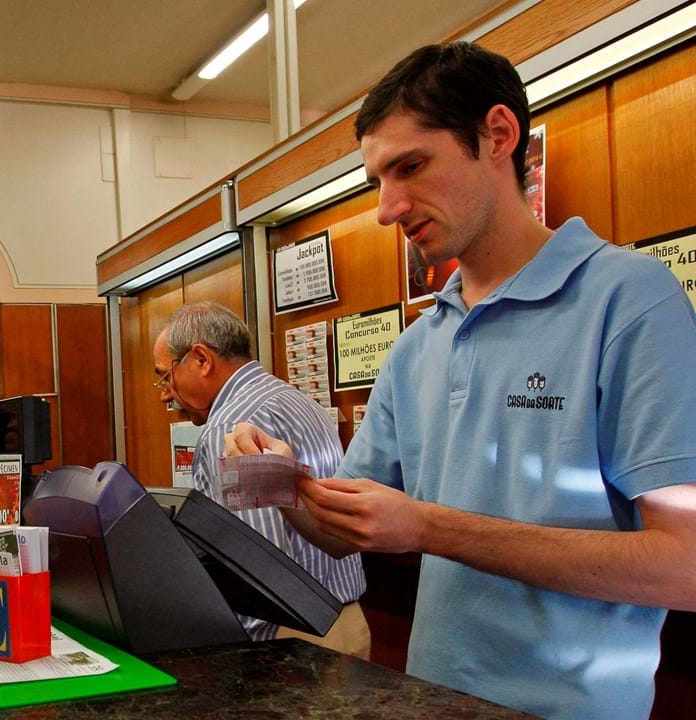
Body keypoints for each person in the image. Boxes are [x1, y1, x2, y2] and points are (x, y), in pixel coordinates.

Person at [225, 41, 696, 720]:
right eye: (377, 182)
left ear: (498, 135)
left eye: (411, 167)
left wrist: (427, 526)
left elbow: (682, 565)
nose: (388, 208)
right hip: (430, 702)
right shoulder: (418, 346)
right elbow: (349, 529)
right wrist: (287, 483)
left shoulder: (629, 301)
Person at [152, 302, 369, 657]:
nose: (164, 393)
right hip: (347, 624)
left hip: (291, 642)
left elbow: (257, 565)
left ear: (202, 359)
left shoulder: (230, 426)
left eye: (166, 376)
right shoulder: (296, 399)